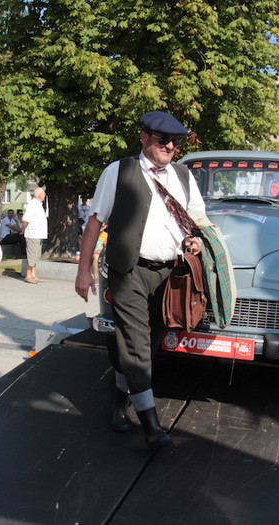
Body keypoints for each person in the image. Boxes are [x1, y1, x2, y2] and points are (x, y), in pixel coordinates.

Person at [75, 111, 208, 450]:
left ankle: (119, 404)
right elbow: (95, 222)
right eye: (163, 140)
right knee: (136, 344)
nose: (170, 146)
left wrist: (196, 239)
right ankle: (151, 427)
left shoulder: (182, 176)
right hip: (128, 270)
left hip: (169, 275)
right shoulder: (118, 171)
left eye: (175, 142)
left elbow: (197, 220)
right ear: (144, 137)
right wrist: (83, 270)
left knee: (146, 345)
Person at [22, 187, 48, 284]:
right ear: (40, 195)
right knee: (32, 255)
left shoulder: (38, 204)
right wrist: (24, 229)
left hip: (38, 234)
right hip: (33, 234)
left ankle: (33, 275)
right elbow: (25, 219)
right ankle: (28, 276)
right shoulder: (33, 204)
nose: (44, 195)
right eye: (44, 194)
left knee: (36, 256)